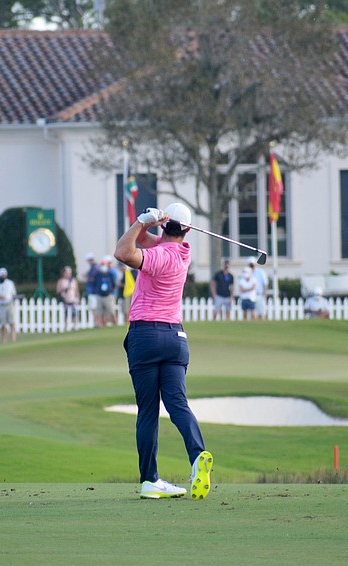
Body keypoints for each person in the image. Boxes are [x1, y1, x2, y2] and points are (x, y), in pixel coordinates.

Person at [114, 203, 213, 501]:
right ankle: (197, 456)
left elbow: (123, 251)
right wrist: (149, 225)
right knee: (177, 403)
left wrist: (142, 220)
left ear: (165, 224)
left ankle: (150, 480)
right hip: (175, 338)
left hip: (146, 335)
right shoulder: (184, 253)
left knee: (148, 411)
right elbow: (147, 241)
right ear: (187, 230)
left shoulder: (157, 257)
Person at [92, 258, 117, 327]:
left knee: (111, 311)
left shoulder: (110, 274)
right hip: (100, 296)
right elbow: (94, 284)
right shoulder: (97, 275)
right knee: (100, 312)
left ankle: (115, 324)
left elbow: (114, 285)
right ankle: (101, 325)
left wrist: (111, 292)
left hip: (108, 296)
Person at [56, 266, 80, 331]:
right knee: (65, 313)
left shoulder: (73, 280)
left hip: (73, 299)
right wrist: (65, 288)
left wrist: (78, 298)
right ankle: (66, 326)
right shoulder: (61, 281)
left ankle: (75, 326)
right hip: (65, 299)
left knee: (74, 313)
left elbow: (76, 290)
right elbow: (58, 291)